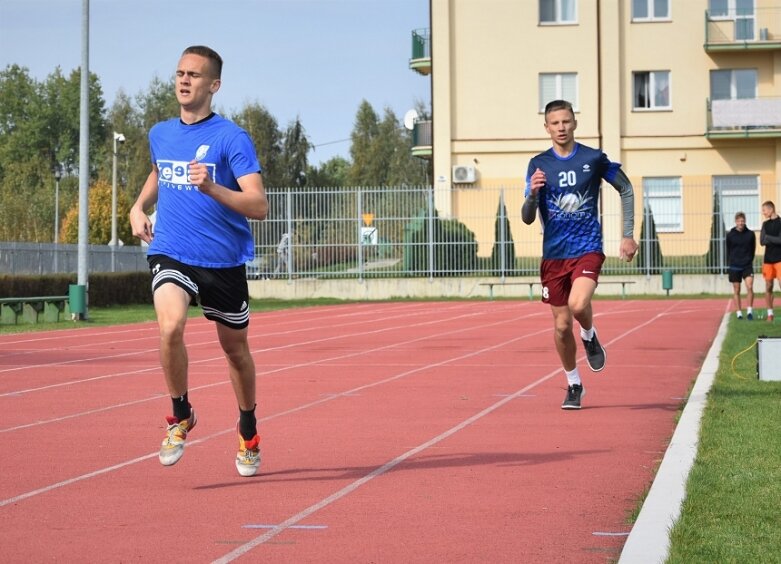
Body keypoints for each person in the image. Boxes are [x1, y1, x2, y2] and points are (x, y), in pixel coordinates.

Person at [129, 45, 269, 477]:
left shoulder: (232, 139)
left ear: (214, 84)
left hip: (222, 261)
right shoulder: (160, 132)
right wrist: (138, 206)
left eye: (193, 74)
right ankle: (180, 415)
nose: (184, 80)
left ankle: (248, 428)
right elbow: (159, 170)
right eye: (179, 73)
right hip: (171, 249)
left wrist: (213, 189)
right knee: (169, 325)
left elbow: (259, 205)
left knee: (235, 351)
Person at [521, 99, 638, 410]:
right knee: (560, 327)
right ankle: (574, 383)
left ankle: (588, 333)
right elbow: (527, 218)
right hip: (553, 256)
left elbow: (626, 189)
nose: (561, 127)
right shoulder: (538, 165)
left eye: (566, 121)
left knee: (578, 303)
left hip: (587, 248)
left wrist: (627, 234)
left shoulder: (593, 158)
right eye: (555, 123)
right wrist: (532, 194)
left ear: (574, 123)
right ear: (546, 127)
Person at [726, 211, 756, 320]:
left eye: (742, 221)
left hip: (747, 265)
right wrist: (731, 261)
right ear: (735, 222)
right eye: (739, 221)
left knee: (749, 286)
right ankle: (739, 313)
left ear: (745, 221)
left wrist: (749, 260)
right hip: (734, 265)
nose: (741, 223)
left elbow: (753, 249)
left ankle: (749, 311)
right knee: (737, 289)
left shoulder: (750, 234)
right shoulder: (730, 235)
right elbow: (728, 250)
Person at [760, 200, 781, 323]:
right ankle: (770, 314)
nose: (763, 213)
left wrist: (768, 237)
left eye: (764, 210)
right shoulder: (764, 225)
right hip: (768, 260)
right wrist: (770, 238)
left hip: (780, 259)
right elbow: (762, 241)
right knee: (768, 286)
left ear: (771, 210)